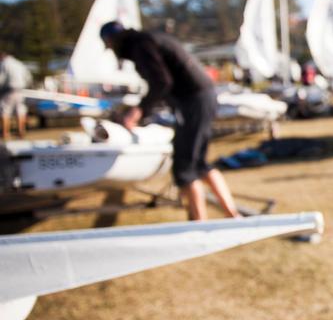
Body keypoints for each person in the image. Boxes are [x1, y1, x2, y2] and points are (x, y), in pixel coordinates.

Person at [99, 21, 241, 221]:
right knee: (199, 164)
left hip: (193, 100)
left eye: (110, 46)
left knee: (185, 168)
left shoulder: (141, 45)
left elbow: (161, 82)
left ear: (113, 41)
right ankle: (232, 216)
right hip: (203, 97)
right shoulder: (150, 39)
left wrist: (138, 111)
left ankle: (198, 225)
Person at [0, 50, 31, 139]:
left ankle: (5, 133)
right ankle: (21, 131)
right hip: (21, 90)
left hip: (9, 91)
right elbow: (28, 77)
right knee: (20, 110)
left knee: (5, 111)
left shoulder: (4, 64)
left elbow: (1, 78)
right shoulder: (19, 63)